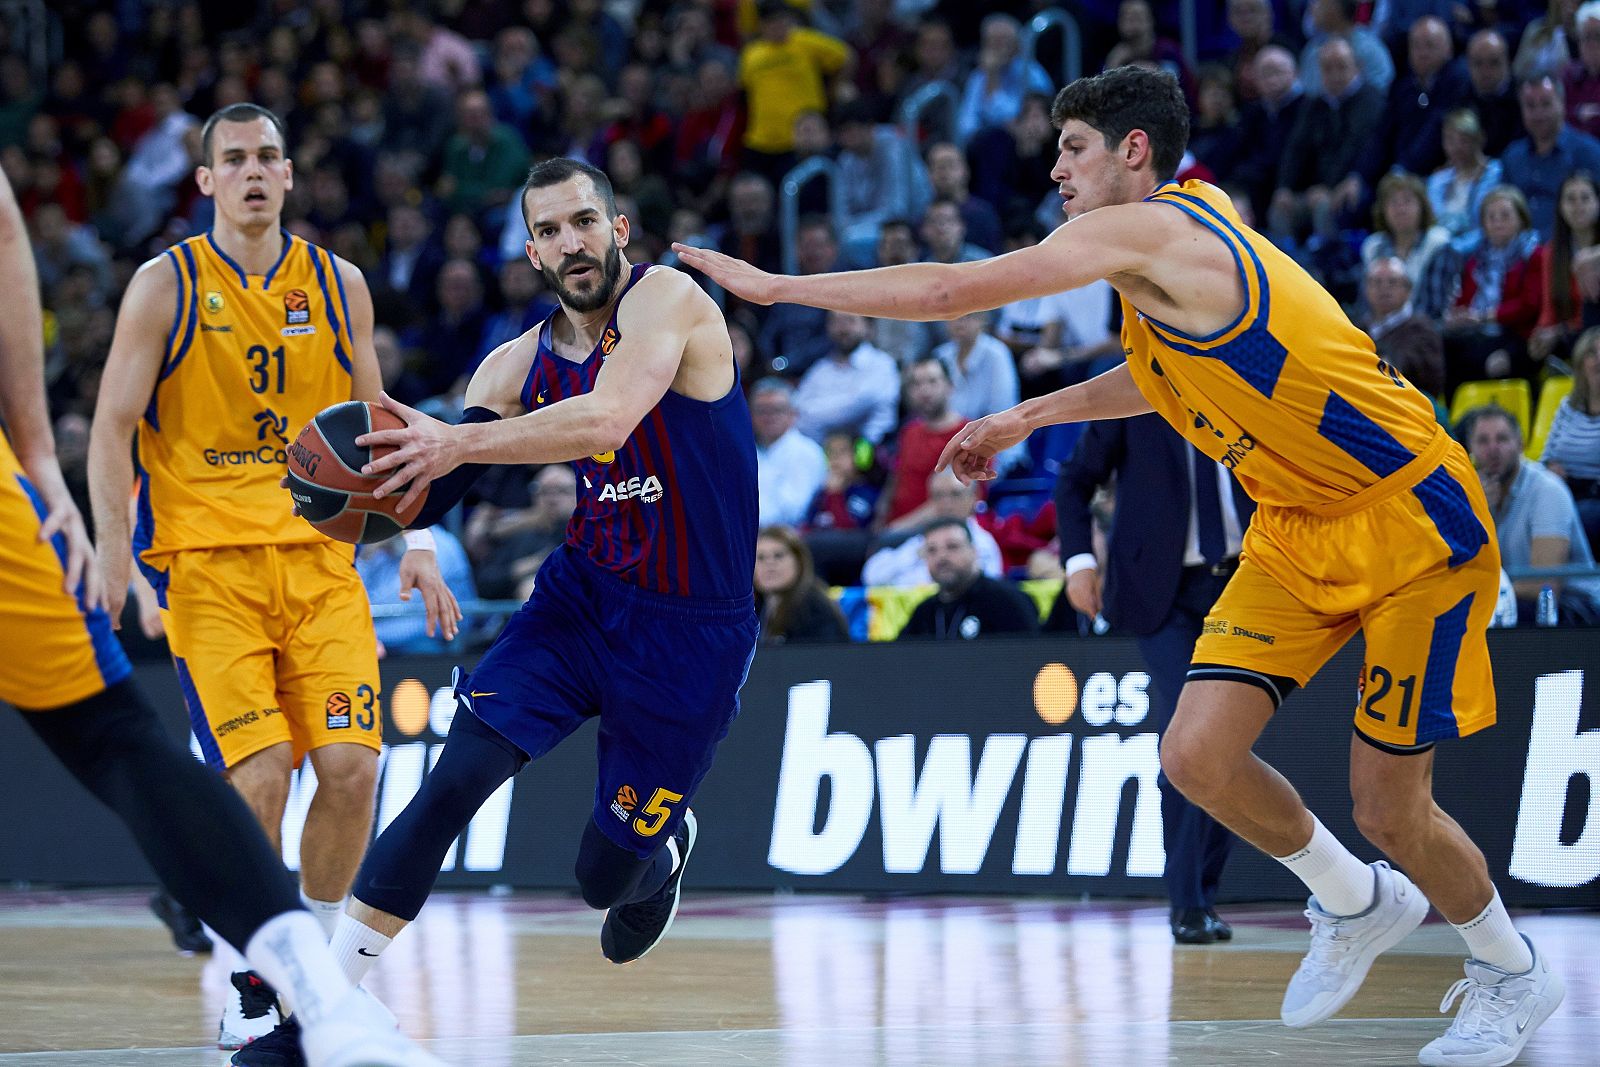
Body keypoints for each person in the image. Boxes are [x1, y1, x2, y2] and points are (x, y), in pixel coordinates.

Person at [675, 64, 1566, 1066]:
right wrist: (1029, 414)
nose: (1054, 168)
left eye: (1073, 149)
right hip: (1297, 523)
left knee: (1386, 804)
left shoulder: (1142, 231)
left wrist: (776, 285)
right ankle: (1353, 898)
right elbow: (1155, 373)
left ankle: (1511, 969)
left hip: (1409, 517)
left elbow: (948, 288)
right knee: (1193, 757)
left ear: (1131, 152)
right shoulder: (1186, 231)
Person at [238, 157, 761, 1063]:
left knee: (605, 881)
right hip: (580, 600)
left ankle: (661, 848)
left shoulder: (671, 301)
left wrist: (455, 438)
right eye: (551, 231)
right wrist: (356, 500)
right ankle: (314, 1016)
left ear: (619, 229)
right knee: (451, 781)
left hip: (691, 630)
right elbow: (442, 478)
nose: (573, 242)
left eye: (585, 222)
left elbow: (604, 421)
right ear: (530, 251)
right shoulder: (513, 362)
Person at [0, 152, 438, 1067]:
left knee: (355, 767)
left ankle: (326, 988)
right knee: (264, 768)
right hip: (207, 570)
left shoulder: (336, 280)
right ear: (204, 180)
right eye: (233, 159)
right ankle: (255, 987)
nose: (254, 172)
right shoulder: (167, 284)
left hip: (321, 563)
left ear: (289, 175)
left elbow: (374, 413)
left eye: (269, 157)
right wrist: (118, 559)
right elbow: (114, 424)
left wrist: (419, 541)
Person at [1057, 413, 1253, 943]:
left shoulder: (1249, 371)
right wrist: (1078, 561)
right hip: (1162, 592)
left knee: (1229, 748)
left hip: (1250, 584)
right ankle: (1187, 901)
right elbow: (1074, 478)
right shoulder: (1137, 383)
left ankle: (1200, 894)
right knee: (1191, 739)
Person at [1460, 404, 1600, 622]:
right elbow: (1462, 569)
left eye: (1502, 439)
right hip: (1511, 601)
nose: (1493, 449)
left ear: (1520, 444)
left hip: (1577, 609)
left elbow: (1543, 585)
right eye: (1483, 441)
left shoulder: (1547, 490)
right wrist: (1478, 514)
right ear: (1470, 449)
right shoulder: (1472, 494)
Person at [897, 518, 1039, 639]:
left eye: (952, 547)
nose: (941, 557)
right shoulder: (924, 612)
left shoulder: (1008, 600)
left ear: (974, 552)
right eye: (932, 550)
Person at [752, 377, 828, 528]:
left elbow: (794, 511)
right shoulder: (746, 451)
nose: (768, 417)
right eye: (761, 410)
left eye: (776, 410)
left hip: (788, 537)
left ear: (793, 414)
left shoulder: (807, 452)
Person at [754, 525, 849, 644]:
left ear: (799, 560)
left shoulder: (814, 606)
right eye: (761, 558)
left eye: (778, 555)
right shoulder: (754, 608)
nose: (770, 563)